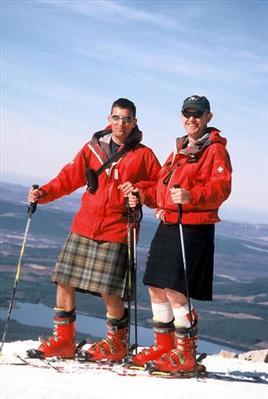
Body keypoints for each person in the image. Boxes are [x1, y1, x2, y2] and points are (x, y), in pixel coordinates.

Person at [27, 98, 161, 361]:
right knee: (64, 279)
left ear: (134, 122)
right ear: (109, 118)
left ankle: (116, 344)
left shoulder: (144, 155)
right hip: (85, 224)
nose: (121, 123)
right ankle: (64, 341)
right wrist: (43, 193)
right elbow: (69, 177)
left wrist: (141, 193)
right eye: (116, 117)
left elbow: (160, 188)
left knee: (109, 289)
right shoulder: (93, 148)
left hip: (117, 227)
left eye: (126, 119)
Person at [130, 95, 232, 374]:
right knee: (155, 284)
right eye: (187, 113)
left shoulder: (215, 150)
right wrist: (143, 194)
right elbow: (163, 189)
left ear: (208, 117)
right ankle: (164, 346)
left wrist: (191, 196)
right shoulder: (179, 150)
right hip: (170, 223)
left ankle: (185, 353)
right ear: (181, 116)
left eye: (197, 113)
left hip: (194, 226)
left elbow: (221, 188)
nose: (192, 118)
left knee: (176, 290)